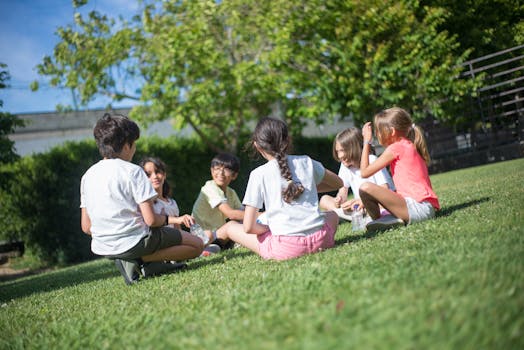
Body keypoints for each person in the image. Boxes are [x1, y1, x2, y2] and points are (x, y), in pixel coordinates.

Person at [80, 113, 207, 285]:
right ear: (127, 145)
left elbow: (86, 227)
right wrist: (171, 219)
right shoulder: (132, 171)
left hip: (103, 246)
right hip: (136, 241)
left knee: (167, 241)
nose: (134, 150)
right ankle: (139, 259)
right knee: (197, 245)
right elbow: (151, 220)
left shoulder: (88, 176)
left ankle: (145, 263)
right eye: (134, 145)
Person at [215, 117, 344, 260]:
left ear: (257, 146)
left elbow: (248, 227)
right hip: (322, 240)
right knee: (332, 215)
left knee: (232, 226)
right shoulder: (307, 161)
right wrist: (307, 188)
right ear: (288, 140)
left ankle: (212, 246)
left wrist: (270, 228)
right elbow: (338, 183)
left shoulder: (258, 174)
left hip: (286, 248)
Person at [359, 107, 440, 232]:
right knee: (371, 191)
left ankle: (380, 220)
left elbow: (364, 172)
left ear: (391, 131)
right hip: (424, 208)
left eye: (378, 131)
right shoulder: (408, 144)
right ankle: (388, 220)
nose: (376, 135)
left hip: (417, 208)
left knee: (365, 188)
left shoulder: (396, 148)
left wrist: (366, 142)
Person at [139, 156, 220, 256]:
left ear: (164, 175)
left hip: (175, 240)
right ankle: (195, 252)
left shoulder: (172, 202)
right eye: (148, 174)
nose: (155, 176)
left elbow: (178, 230)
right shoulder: (147, 204)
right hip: (160, 242)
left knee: (208, 234)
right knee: (201, 243)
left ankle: (196, 250)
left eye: (158, 172)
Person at [319, 127, 395, 221]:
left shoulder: (371, 160)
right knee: (324, 199)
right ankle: (349, 214)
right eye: (338, 151)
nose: (339, 156)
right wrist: (339, 200)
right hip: (359, 207)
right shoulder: (345, 166)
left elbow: (385, 190)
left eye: (342, 150)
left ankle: (344, 215)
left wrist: (361, 201)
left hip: (379, 204)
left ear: (353, 148)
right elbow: (343, 191)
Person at [191, 153, 245, 248]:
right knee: (232, 225)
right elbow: (231, 214)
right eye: (217, 168)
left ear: (234, 175)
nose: (221, 173)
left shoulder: (231, 192)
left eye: (226, 169)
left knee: (243, 223)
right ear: (212, 170)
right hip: (203, 237)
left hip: (218, 234)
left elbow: (242, 213)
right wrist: (261, 215)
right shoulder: (209, 188)